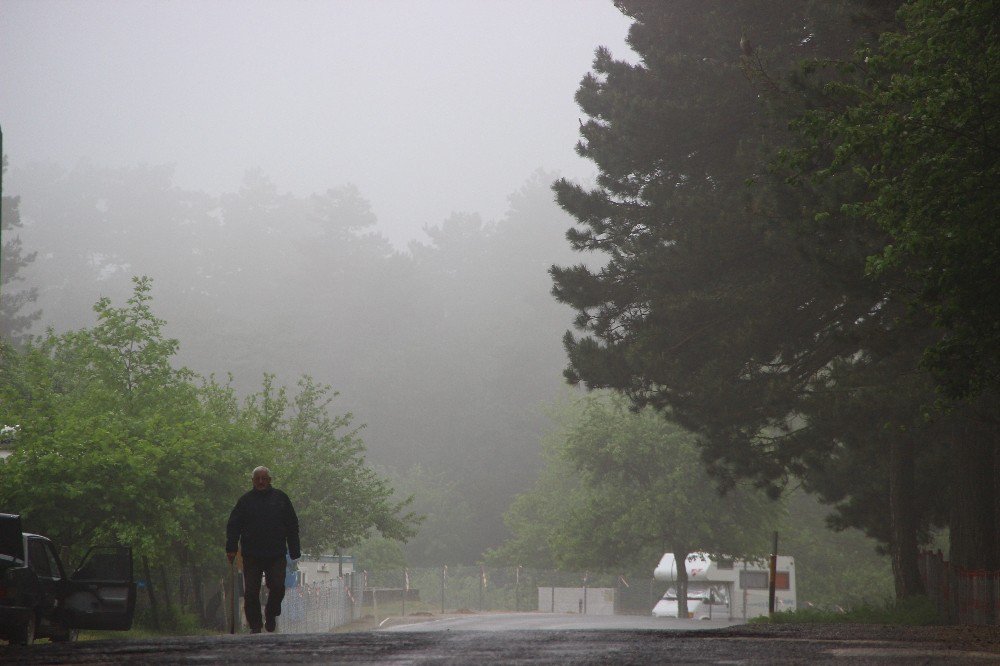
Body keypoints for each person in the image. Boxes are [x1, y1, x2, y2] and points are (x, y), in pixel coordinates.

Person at [226, 466, 301, 633]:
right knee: (251, 593)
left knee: (278, 587)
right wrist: (231, 548)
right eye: (257, 478)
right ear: (253, 481)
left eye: (264, 478)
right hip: (252, 555)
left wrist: (295, 549)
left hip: (276, 554)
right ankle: (255, 626)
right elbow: (233, 526)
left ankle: (271, 612)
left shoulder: (281, 499)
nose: (261, 481)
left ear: (269, 480)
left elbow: (292, 525)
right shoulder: (245, 501)